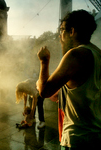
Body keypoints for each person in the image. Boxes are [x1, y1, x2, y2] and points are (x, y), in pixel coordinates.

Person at [36, 10, 101, 150]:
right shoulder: (98, 53)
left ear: (71, 31)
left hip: (78, 138)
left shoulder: (75, 55)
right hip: (96, 135)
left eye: (61, 30)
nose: (60, 36)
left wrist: (44, 61)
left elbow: (44, 91)